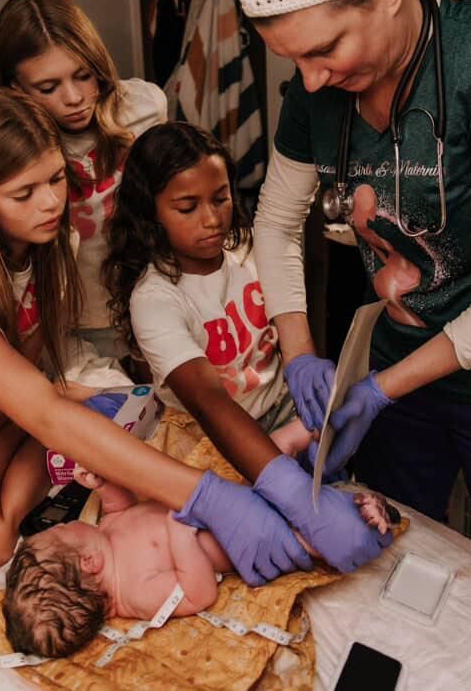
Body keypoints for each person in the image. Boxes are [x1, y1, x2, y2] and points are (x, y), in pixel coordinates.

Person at [0, 87, 318, 589]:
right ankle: (18, 448)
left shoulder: (52, 241)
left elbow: (27, 358)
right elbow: (37, 399)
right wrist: (209, 497)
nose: (52, 203)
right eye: (24, 193)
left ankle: (19, 449)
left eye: (56, 178)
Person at [237, 0, 471, 525]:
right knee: (403, 541)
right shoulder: (313, 99)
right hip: (396, 366)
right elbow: (277, 224)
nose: (310, 83)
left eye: (325, 51)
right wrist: (301, 355)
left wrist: (381, 388)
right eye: (293, 61)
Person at [103, 120, 392, 571]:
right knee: (232, 542)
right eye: (187, 207)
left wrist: (316, 402)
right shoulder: (155, 299)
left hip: (279, 413)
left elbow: (291, 327)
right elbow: (211, 404)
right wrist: (290, 487)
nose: (212, 218)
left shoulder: (249, 250)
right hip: (214, 434)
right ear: (150, 215)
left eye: (220, 198)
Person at [3, 464, 398, 658]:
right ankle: (369, 517)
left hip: (229, 505)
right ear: (89, 563)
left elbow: (121, 507)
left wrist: (105, 485)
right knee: (312, 539)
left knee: (276, 471)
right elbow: (199, 592)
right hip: (250, 541)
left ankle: (323, 471)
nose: (69, 522)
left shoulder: (106, 532)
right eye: (60, 530)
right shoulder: (137, 593)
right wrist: (180, 535)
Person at [0, 0, 167, 360]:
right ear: (14, 88)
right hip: (72, 326)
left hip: (155, 301)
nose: (73, 98)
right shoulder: (9, 149)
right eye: (48, 87)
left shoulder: (145, 107)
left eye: (83, 75)